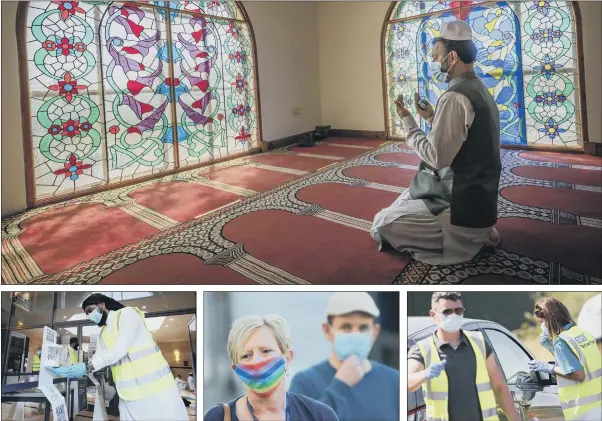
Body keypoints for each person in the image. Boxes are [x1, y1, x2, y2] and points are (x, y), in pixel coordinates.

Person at [371, 20, 502, 265]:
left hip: (461, 208)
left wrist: (408, 123)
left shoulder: (454, 97)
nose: (433, 63)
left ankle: (467, 239)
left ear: (452, 57)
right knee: (409, 195)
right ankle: (480, 233)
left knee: (382, 222)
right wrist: (431, 117)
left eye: (436, 57)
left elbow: (437, 157)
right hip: (480, 201)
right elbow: (465, 138)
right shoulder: (476, 88)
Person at [47, 293, 189, 421]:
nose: (89, 316)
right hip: (128, 394)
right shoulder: (103, 334)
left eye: (90, 311)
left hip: (158, 391)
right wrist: (72, 369)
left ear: (102, 305)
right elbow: (98, 359)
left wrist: (87, 366)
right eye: (87, 314)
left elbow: (120, 349)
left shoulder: (127, 314)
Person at [408, 292, 519, 421]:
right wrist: (425, 374)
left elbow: (500, 387)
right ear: (433, 315)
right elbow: (407, 381)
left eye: (458, 311)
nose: (453, 316)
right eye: (447, 311)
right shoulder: (423, 349)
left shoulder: (479, 342)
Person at [204, 314, 339, 421]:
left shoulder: (320, 415)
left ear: (287, 358)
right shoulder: (217, 417)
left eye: (266, 351)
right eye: (246, 355)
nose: (257, 361)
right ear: (237, 370)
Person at [289, 292, 399, 421]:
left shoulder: (395, 380)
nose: (355, 334)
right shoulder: (305, 383)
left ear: (375, 332)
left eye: (363, 328)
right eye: (346, 327)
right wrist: (340, 386)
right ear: (327, 330)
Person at [529, 297, 601, 420]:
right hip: (597, 407)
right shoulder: (580, 333)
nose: (542, 326)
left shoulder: (561, 342)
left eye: (541, 322)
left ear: (550, 319)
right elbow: (577, 361)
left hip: (582, 411)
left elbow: (578, 374)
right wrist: (552, 348)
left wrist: (550, 368)